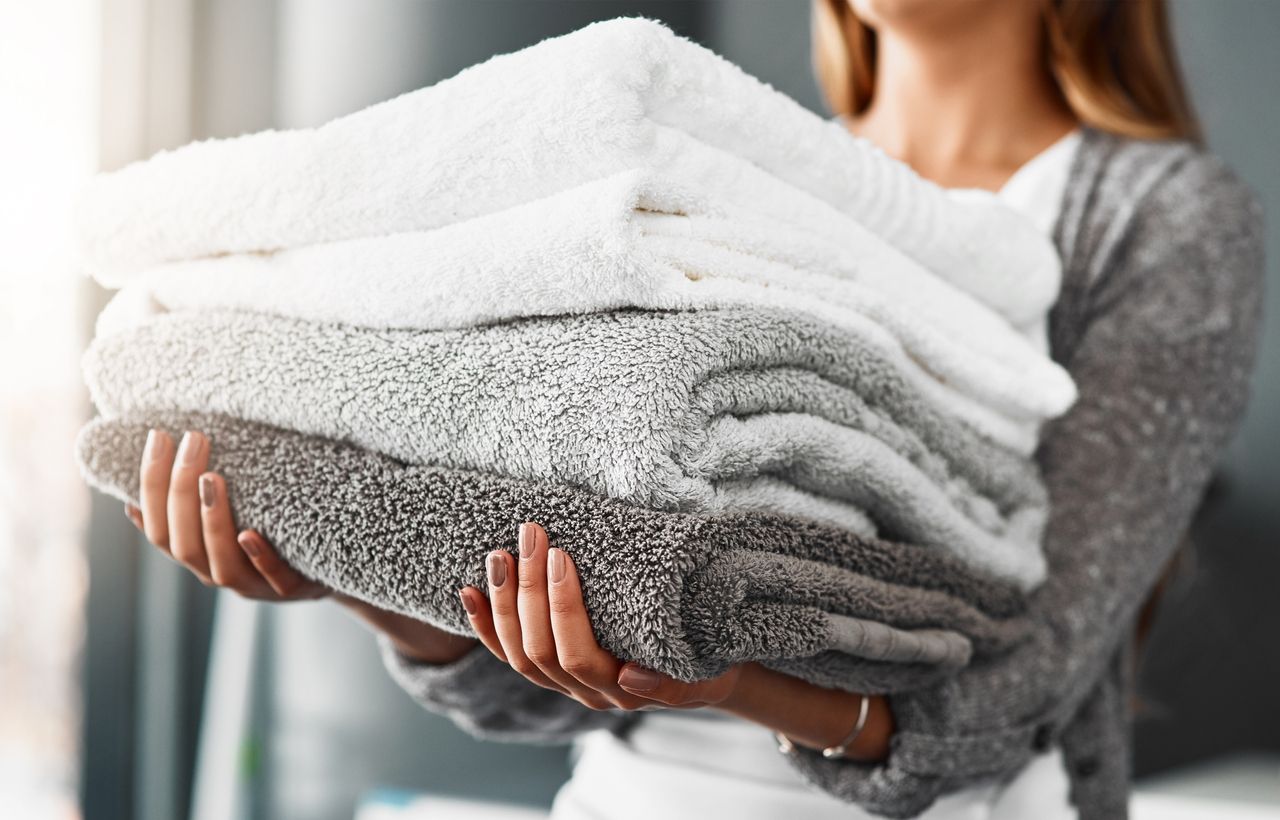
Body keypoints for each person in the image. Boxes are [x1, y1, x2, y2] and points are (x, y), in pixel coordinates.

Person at [123, 0, 1264, 816]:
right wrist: (359, 574)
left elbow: (1032, 672)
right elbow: (551, 654)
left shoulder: (1162, 218)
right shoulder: (734, 198)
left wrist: (727, 674)